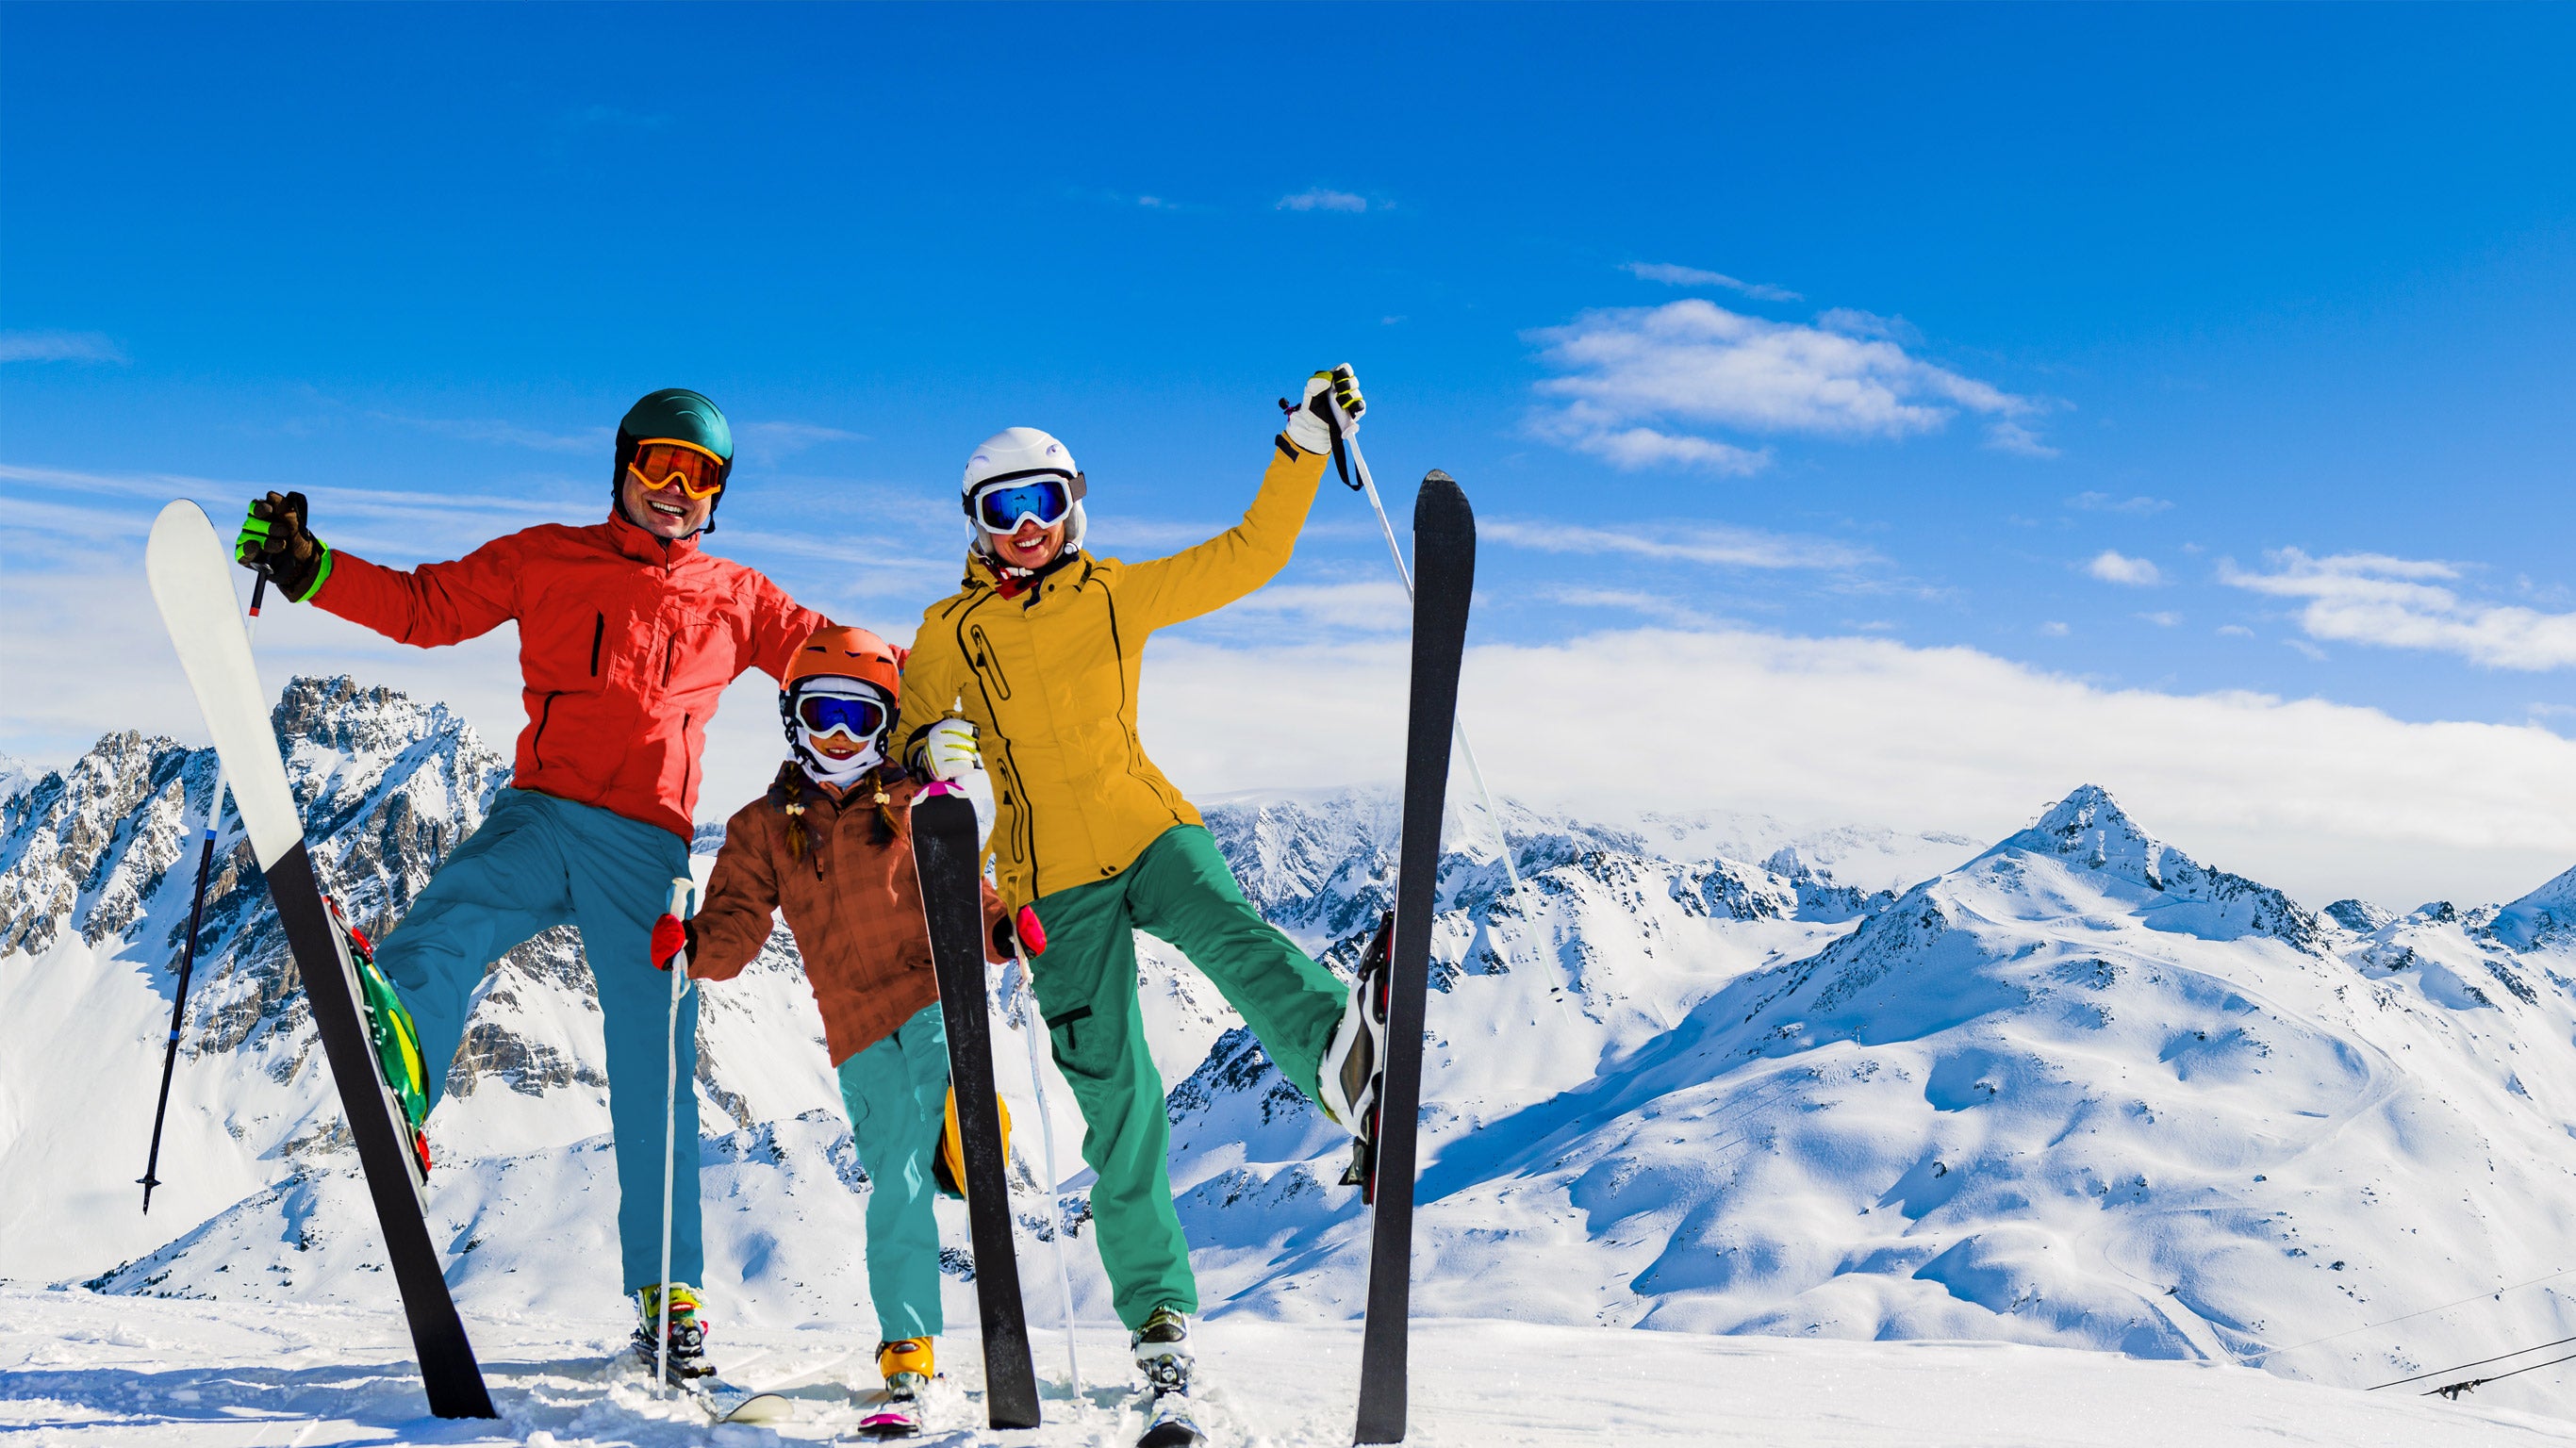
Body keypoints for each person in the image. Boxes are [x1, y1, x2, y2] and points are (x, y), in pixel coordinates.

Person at [234, 387, 832, 1378]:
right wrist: (310, 567)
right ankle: (409, 1075)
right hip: (540, 811)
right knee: (440, 927)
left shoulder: (739, 597)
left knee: (655, 1055)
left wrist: (945, 699)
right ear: (623, 467)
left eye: (701, 475)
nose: (677, 490)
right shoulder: (546, 556)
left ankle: (669, 1294)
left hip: (644, 846)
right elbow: (427, 609)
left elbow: (842, 662)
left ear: (720, 493)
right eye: (660, 466)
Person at [892, 366, 1381, 1428]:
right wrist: (926, 749)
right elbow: (907, 751)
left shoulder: (1113, 593)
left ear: (1074, 507)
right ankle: (1158, 1321)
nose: (1025, 528)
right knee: (1118, 1104)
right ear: (975, 525)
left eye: (1043, 504)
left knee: (1234, 936)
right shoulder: (948, 632)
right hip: (1046, 885)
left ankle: (1351, 1077)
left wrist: (1298, 445)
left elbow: (1247, 555)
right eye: (1001, 510)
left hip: (1148, 830)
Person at [651, 625, 1009, 1427]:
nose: (840, 735)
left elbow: (965, 891)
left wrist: (1000, 932)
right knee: (898, 1178)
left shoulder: (917, 802)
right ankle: (908, 1344)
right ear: (792, 719)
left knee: (934, 1136)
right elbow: (737, 926)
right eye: (822, 715)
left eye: (859, 716)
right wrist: (695, 947)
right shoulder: (762, 827)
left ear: (886, 723)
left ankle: (968, 1145)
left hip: (931, 999)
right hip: (853, 1029)